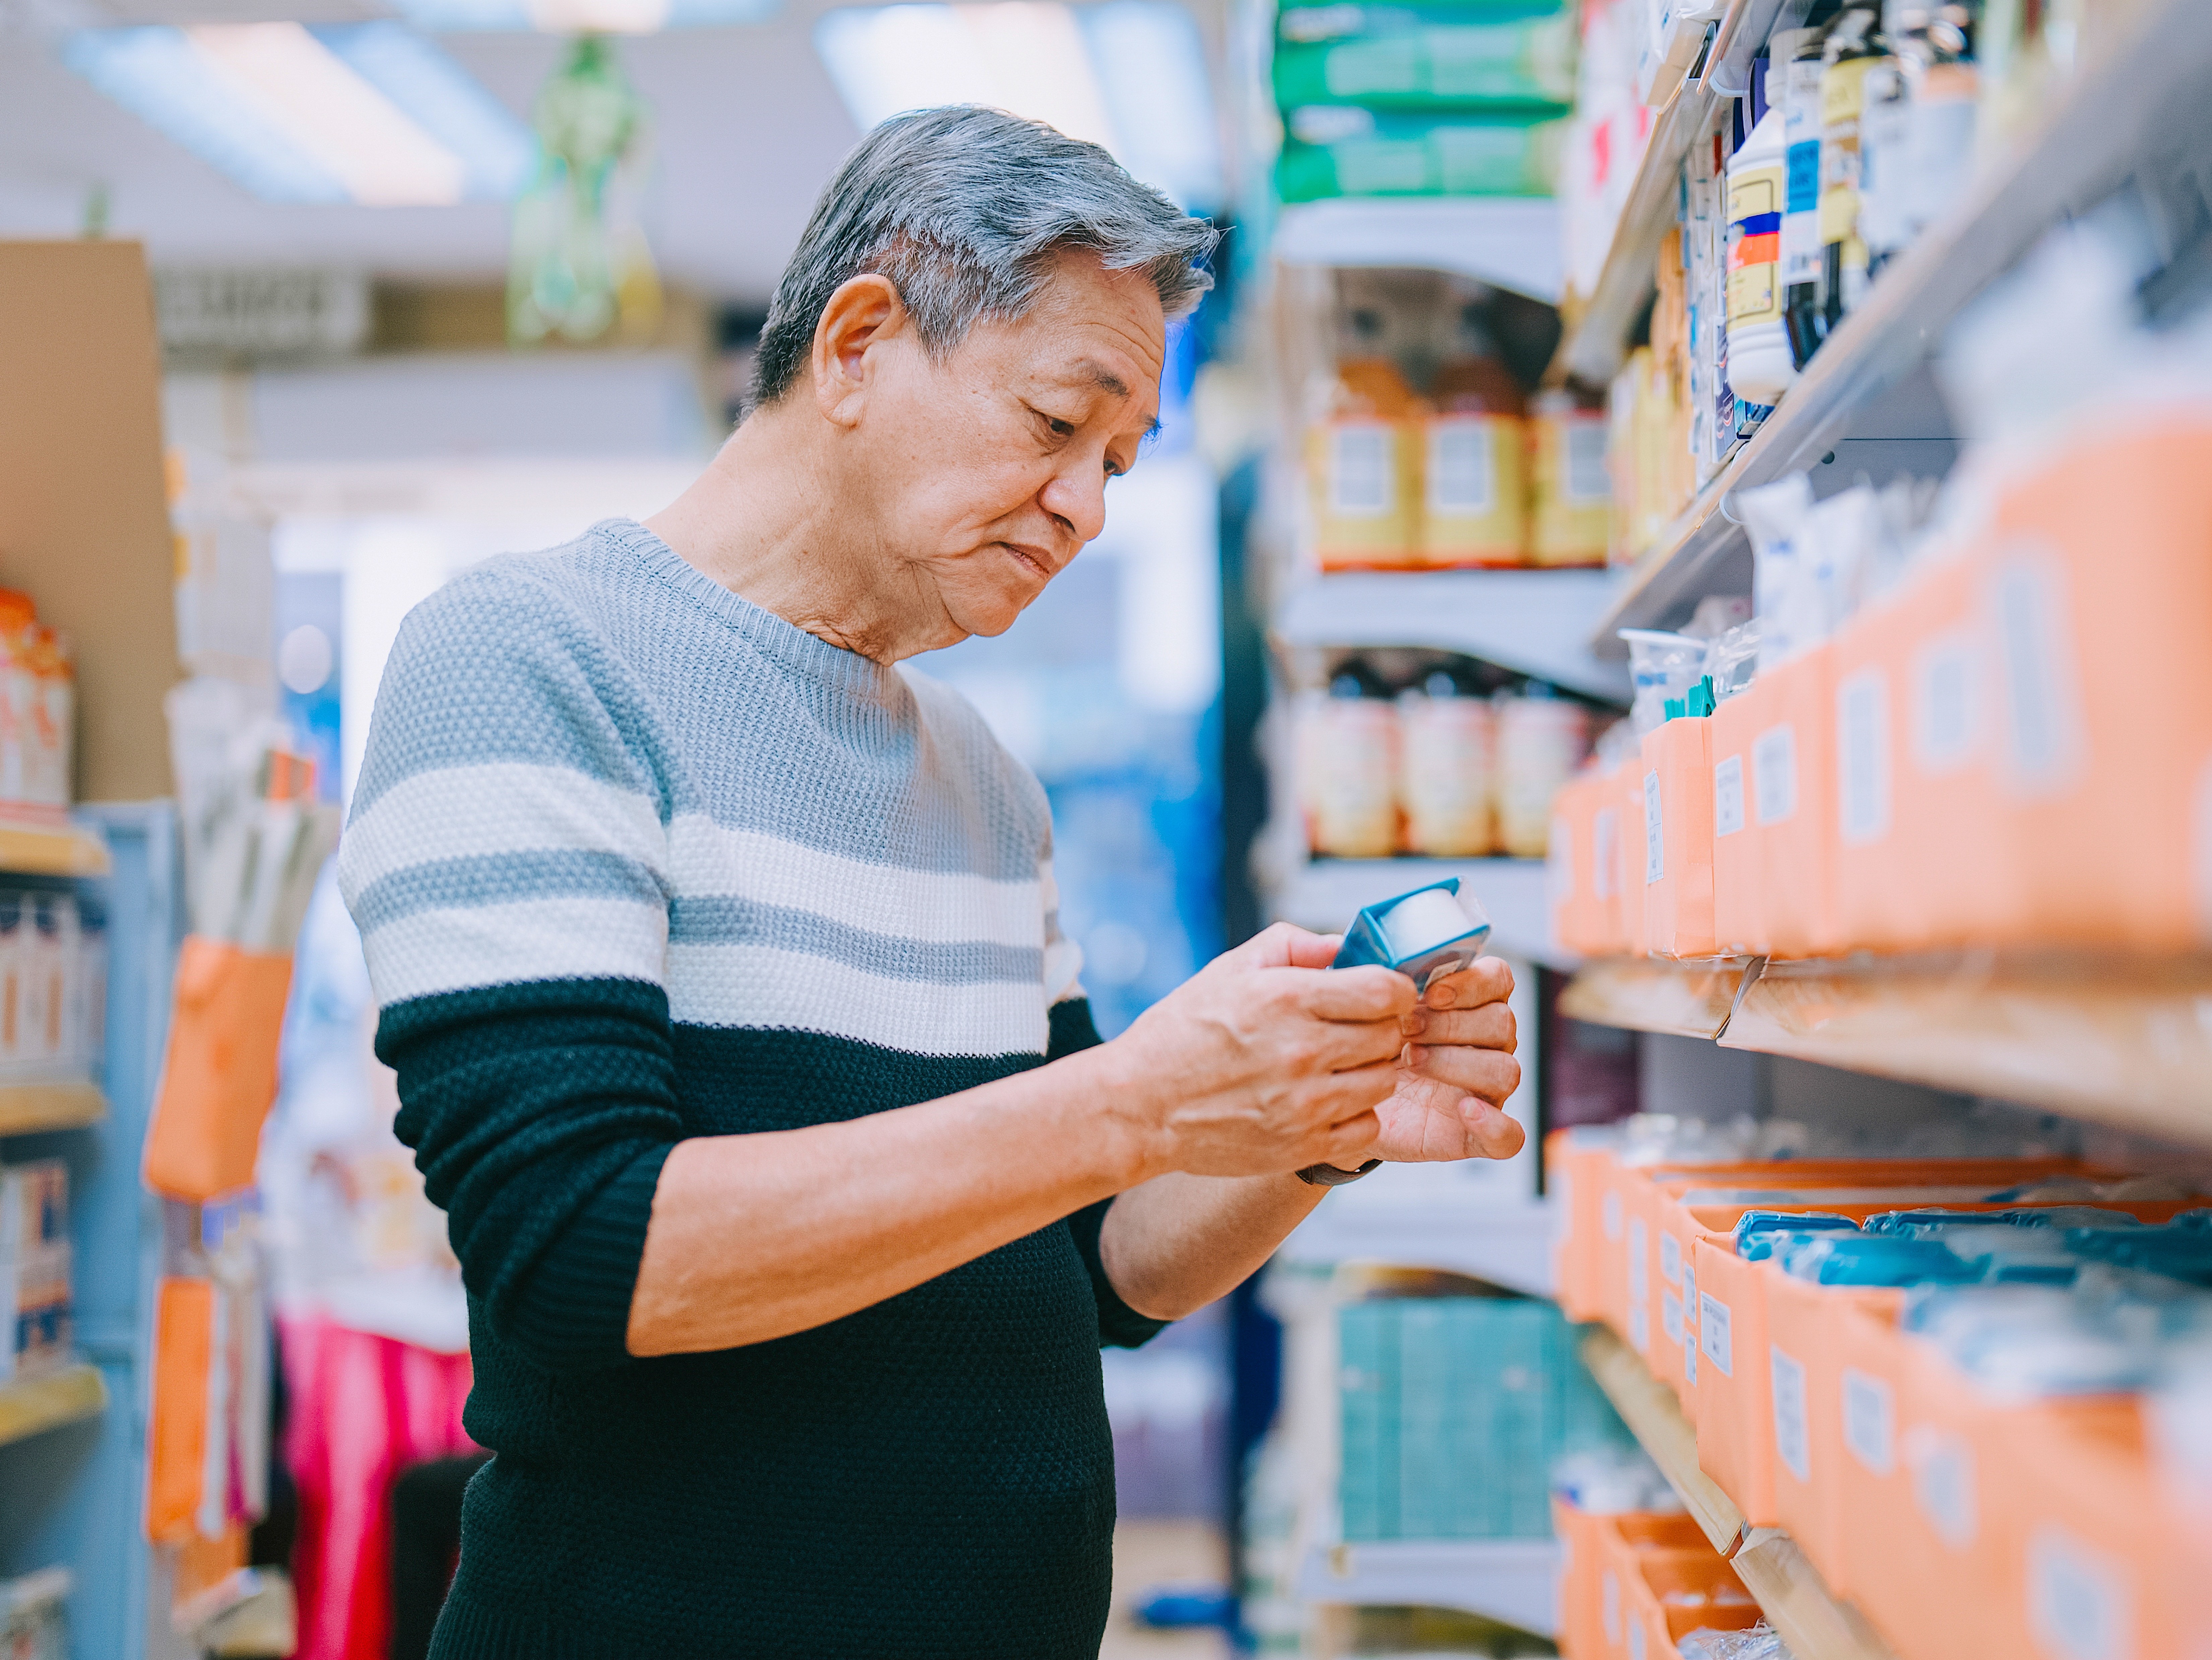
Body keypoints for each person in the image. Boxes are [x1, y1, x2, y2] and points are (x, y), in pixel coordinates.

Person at [337, 107, 1527, 1658]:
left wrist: (1313, 1119)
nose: (1088, 508)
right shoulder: (527, 662)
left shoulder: (979, 780)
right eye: (1055, 424)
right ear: (856, 344)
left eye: (1117, 461)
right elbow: (584, 1254)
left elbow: (1091, 1261)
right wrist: (1140, 1098)